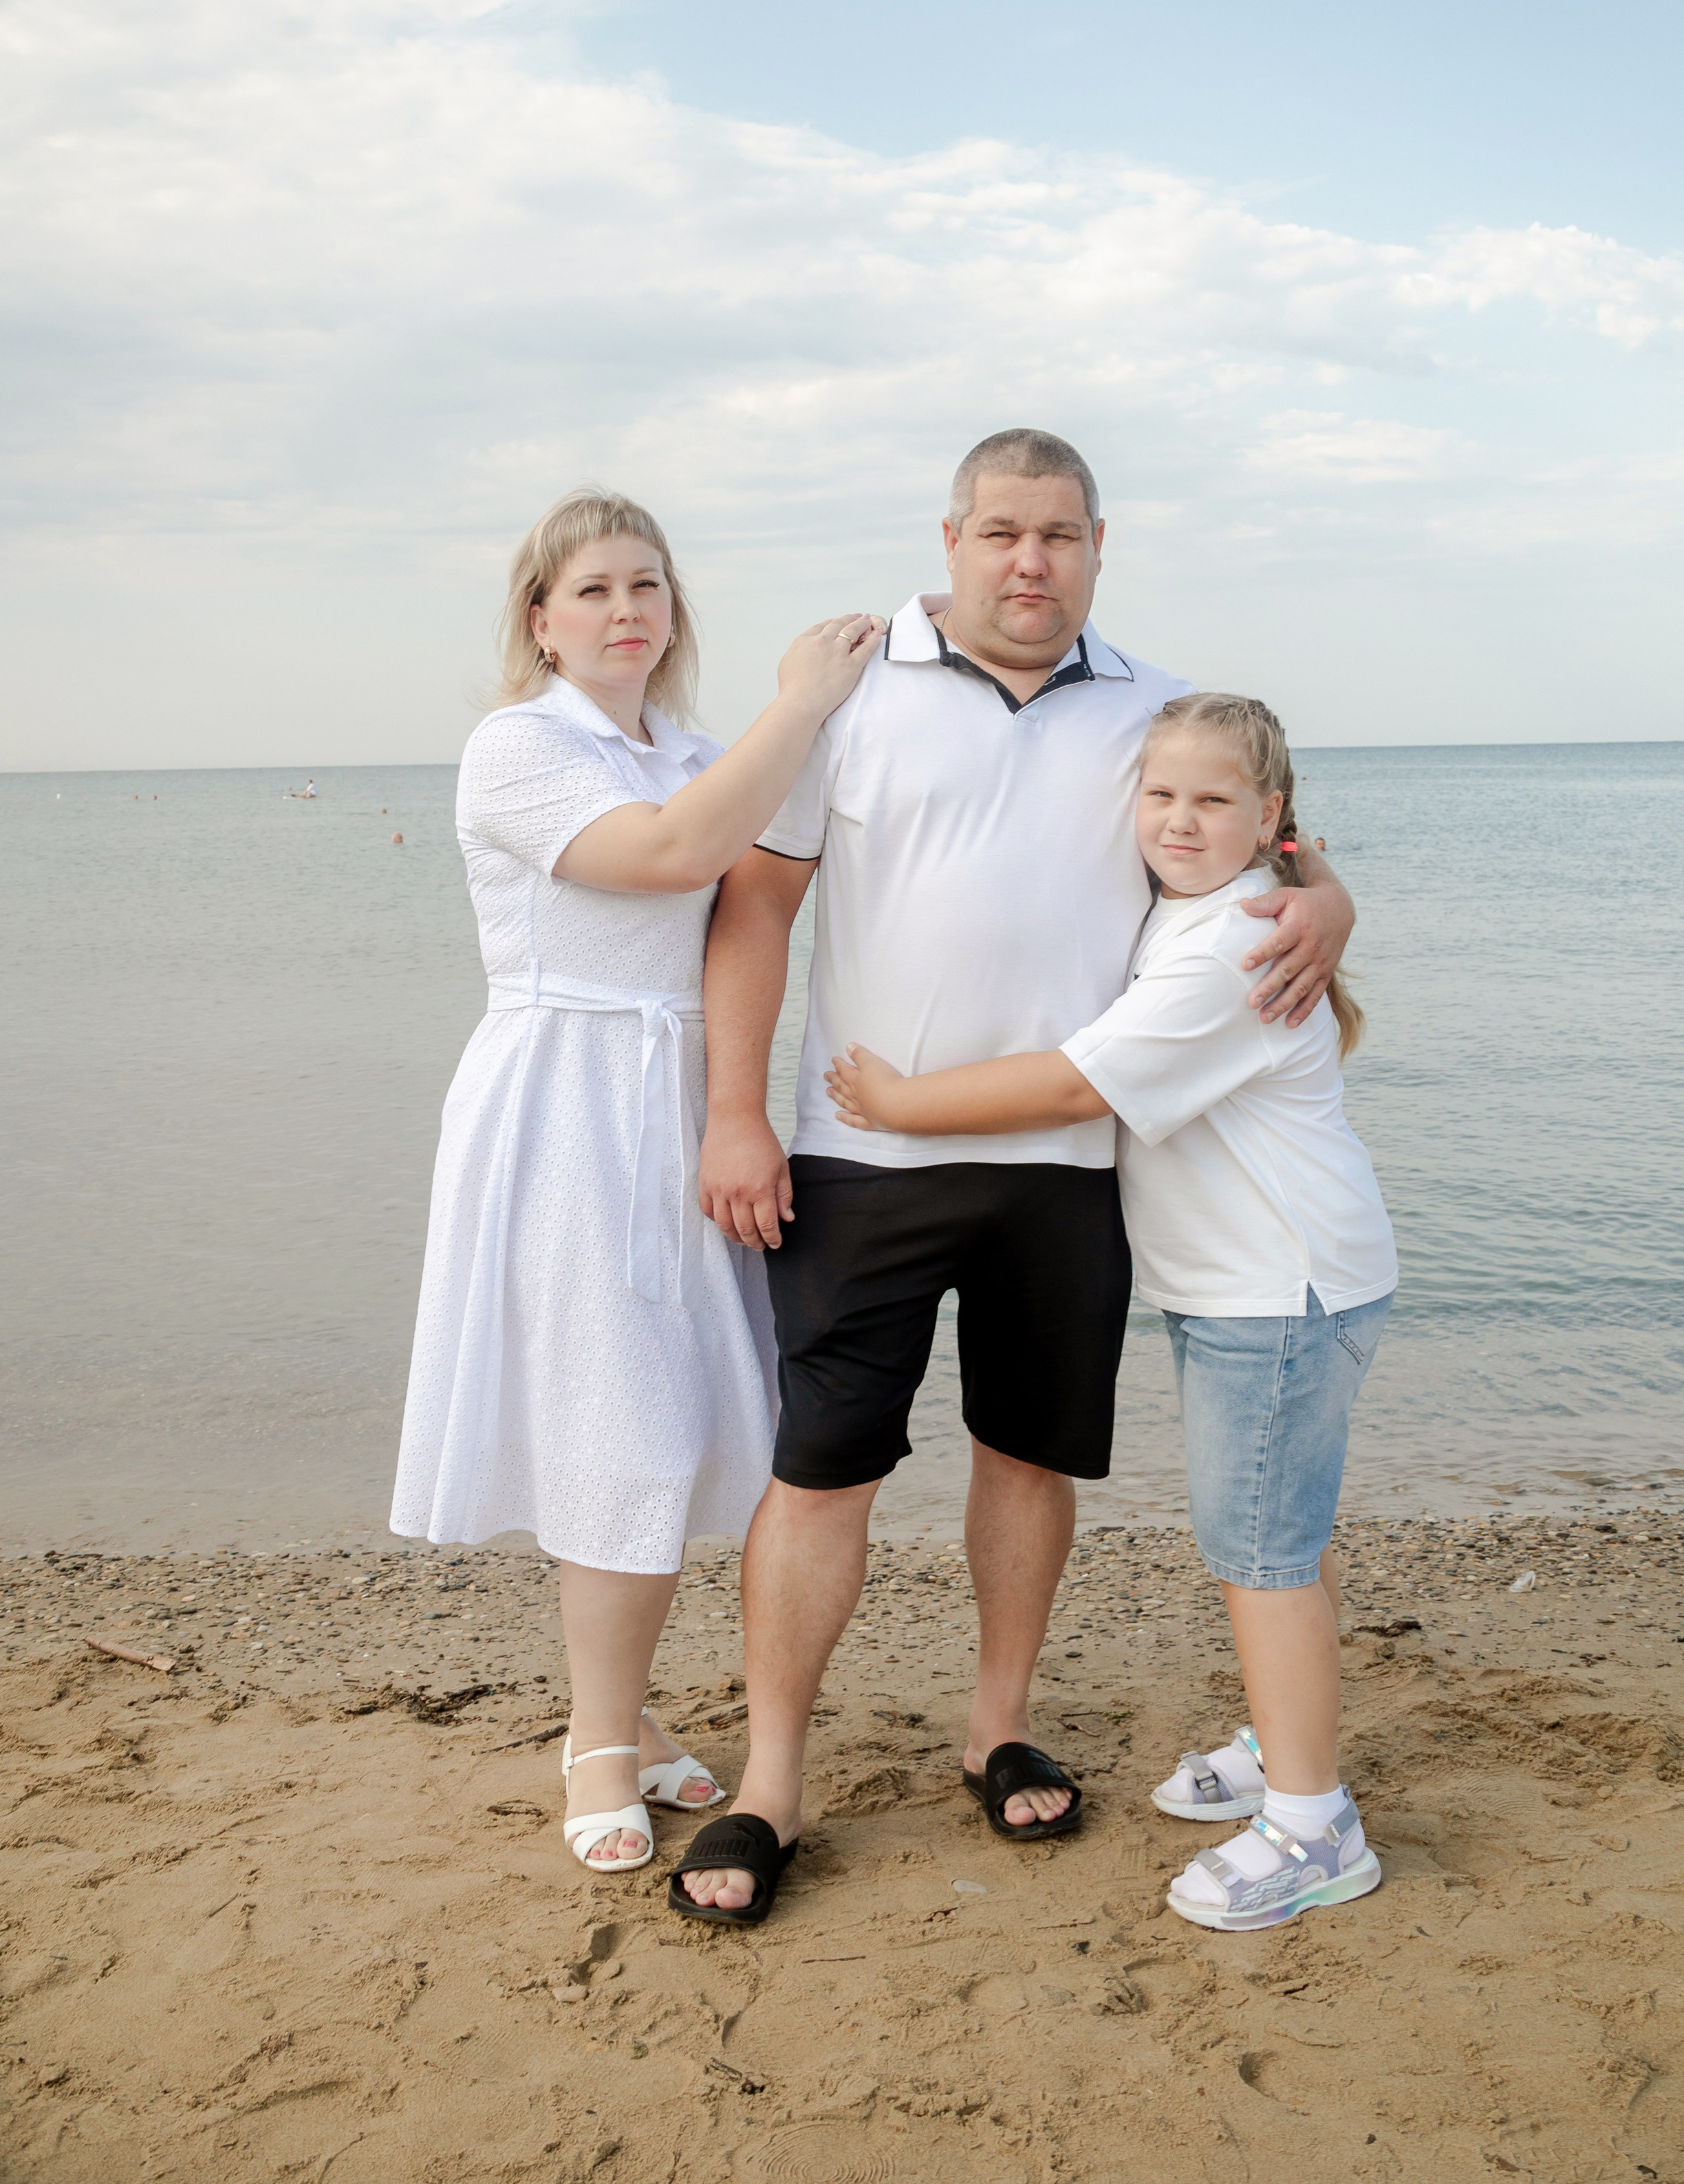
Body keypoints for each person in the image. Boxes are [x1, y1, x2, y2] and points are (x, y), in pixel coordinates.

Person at [670, 433, 1357, 1925]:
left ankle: (995, 1724)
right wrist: (735, 1113)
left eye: (1057, 535)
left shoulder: (1149, 705)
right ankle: (768, 1783)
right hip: (862, 1159)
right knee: (818, 1471)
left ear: (1096, 545)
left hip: (1067, 1166)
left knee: (1026, 1457)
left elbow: (1267, 842)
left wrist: (1335, 903)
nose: (1028, 561)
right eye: (1000, 533)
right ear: (952, 537)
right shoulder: (845, 695)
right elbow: (754, 907)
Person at [828, 691, 1396, 1932]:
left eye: (1214, 801)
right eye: (1162, 796)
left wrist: (906, 1103)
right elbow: (1294, 875)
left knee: (1263, 1552)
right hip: (1270, 1281)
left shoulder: (1231, 942)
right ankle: (1279, 1737)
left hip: (1279, 1290)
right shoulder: (1205, 907)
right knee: (1283, 1533)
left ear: (1270, 819)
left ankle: (1313, 1824)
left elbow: (1079, 1078)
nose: (1182, 820)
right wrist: (1324, 885)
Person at [390, 487, 881, 1875]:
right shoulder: (517, 748)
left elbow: (765, 892)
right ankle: (597, 1737)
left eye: (647, 587)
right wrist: (802, 702)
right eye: (594, 589)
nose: (625, 611)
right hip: (567, 1101)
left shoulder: (696, 748)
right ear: (540, 623)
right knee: (619, 1420)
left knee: (668, 1419)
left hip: (685, 1099)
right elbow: (670, 856)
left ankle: (628, 1711)